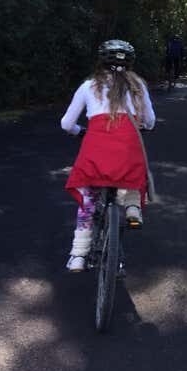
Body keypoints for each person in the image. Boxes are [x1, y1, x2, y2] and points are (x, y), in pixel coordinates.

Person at [60, 39, 156, 272]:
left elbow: (66, 123)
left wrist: (78, 131)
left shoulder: (88, 86)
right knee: (133, 171)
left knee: (89, 200)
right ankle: (132, 207)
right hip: (127, 145)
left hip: (95, 148)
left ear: (101, 62)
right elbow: (150, 121)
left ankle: (78, 256)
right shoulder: (138, 86)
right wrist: (142, 124)